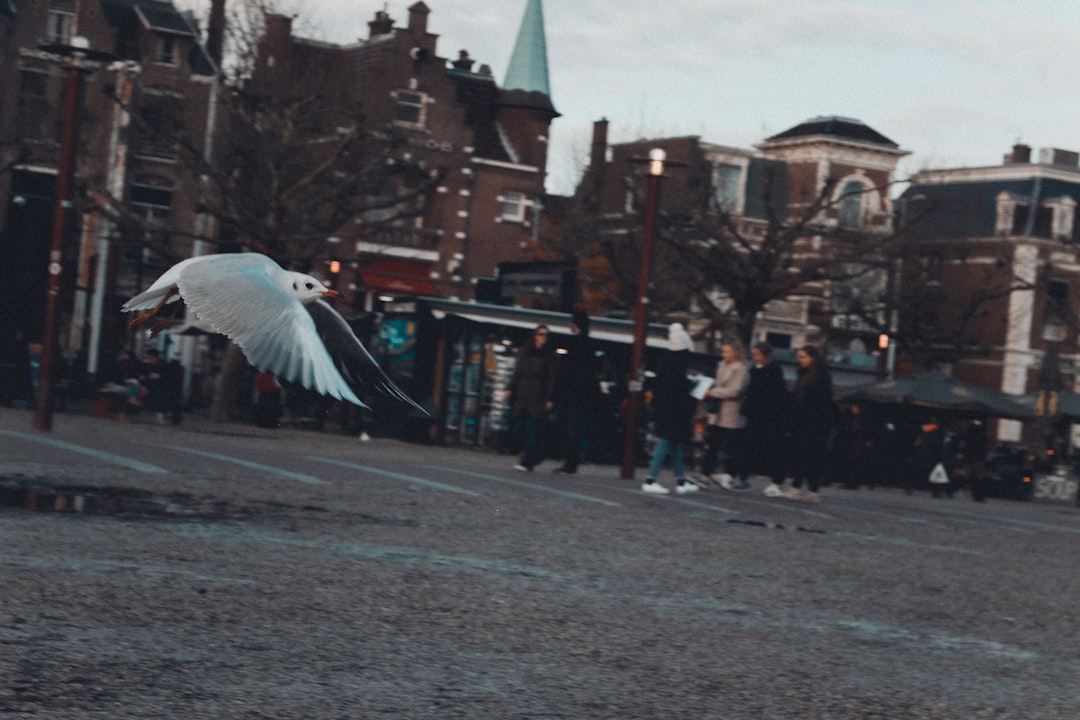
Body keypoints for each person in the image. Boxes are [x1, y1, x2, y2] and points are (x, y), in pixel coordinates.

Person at [641, 323, 700, 496]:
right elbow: (680, 389)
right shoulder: (679, 365)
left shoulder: (665, 361)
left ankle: (681, 481)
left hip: (664, 408)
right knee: (668, 441)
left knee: (675, 444)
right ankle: (650, 479)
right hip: (675, 410)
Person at [783, 344, 835, 503]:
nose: (801, 360)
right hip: (806, 421)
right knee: (806, 455)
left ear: (813, 358)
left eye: (804, 357)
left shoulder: (819, 377)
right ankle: (809, 489)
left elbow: (819, 402)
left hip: (814, 423)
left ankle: (802, 488)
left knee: (808, 455)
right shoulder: (805, 374)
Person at [553, 311, 601, 474]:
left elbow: (566, 371)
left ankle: (570, 462)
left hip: (572, 394)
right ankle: (572, 462)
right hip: (584, 396)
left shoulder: (573, 344)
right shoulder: (590, 345)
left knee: (570, 429)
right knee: (578, 430)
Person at [743, 342, 792, 497]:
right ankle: (743, 476)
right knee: (749, 446)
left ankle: (776, 481)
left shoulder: (774, 371)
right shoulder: (753, 370)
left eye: (757, 354)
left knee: (772, 450)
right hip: (755, 415)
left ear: (766, 356)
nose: (755, 357)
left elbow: (778, 397)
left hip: (770, 417)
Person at [700, 339, 749, 490]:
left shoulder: (741, 369)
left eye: (727, 351)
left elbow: (736, 390)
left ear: (736, 353)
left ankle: (730, 475)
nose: (724, 355)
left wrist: (713, 392)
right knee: (712, 444)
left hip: (731, 411)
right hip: (718, 411)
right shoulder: (721, 365)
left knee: (730, 447)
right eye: (723, 351)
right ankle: (705, 473)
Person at [507, 324, 557, 472]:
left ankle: (527, 462)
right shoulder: (524, 353)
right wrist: (509, 388)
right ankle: (528, 456)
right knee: (518, 429)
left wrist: (549, 398)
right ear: (535, 335)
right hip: (522, 395)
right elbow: (517, 373)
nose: (543, 338)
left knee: (532, 431)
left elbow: (551, 379)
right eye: (541, 334)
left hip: (538, 397)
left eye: (546, 335)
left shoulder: (549, 356)